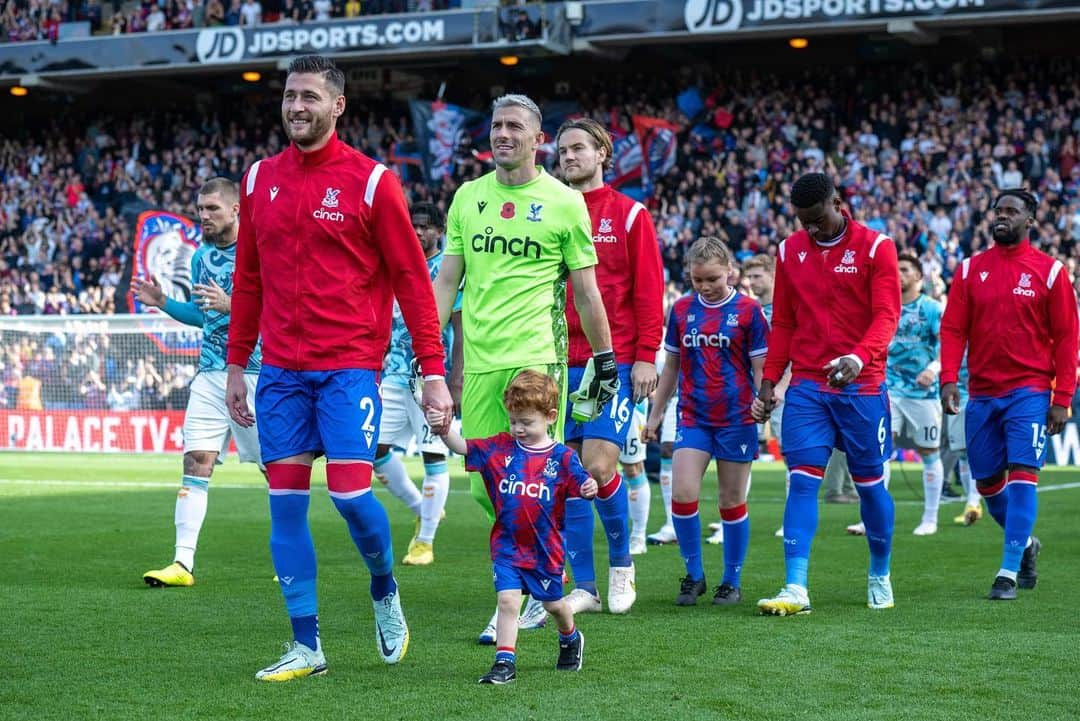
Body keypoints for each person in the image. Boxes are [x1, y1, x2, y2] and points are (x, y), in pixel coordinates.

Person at [225, 55, 453, 680]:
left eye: (309, 98)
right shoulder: (258, 180)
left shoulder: (373, 182)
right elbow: (248, 281)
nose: (296, 107)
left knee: (352, 494)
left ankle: (384, 588)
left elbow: (412, 279)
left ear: (337, 105)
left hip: (349, 368)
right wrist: (237, 363)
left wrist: (432, 369)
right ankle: (307, 645)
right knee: (285, 507)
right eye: (290, 96)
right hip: (279, 374)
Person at [431, 94, 615, 643]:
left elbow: (585, 292)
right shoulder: (468, 197)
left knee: (532, 484)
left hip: (537, 358)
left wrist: (603, 361)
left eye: (515, 126)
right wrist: (428, 358)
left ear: (538, 140)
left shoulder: (564, 203)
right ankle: (540, 585)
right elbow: (446, 282)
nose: (503, 134)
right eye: (496, 125)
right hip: (482, 364)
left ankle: (529, 595)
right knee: (487, 488)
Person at [752, 172, 901, 616]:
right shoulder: (789, 250)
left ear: (838, 203)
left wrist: (857, 358)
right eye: (803, 222)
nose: (811, 230)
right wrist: (769, 379)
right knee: (800, 481)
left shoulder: (877, 247)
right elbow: (785, 323)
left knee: (870, 487)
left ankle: (879, 572)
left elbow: (886, 315)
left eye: (817, 219)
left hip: (863, 385)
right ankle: (796, 586)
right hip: (809, 387)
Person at [940, 189, 1078, 600]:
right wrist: (949, 378)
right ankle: (1027, 544)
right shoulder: (969, 270)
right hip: (981, 392)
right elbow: (953, 329)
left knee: (1022, 477)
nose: (1002, 217)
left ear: (1029, 221)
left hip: (1029, 391)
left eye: (1011, 212)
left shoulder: (1050, 272)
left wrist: (1062, 397)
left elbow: (1067, 339)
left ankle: (1008, 569)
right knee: (986, 483)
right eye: (998, 211)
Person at [555, 117, 664, 615]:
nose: (569, 156)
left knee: (598, 465)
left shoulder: (628, 214)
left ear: (603, 153)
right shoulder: (551, 210)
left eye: (579, 148)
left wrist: (644, 356)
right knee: (570, 474)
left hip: (610, 361)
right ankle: (586, 587)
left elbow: (648, 291)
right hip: (557, 361)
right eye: (562, 150)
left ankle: (622, 565)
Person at [428, 370, 597, 684]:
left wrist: (588, 486)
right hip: (506, 546)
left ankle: (570, 636)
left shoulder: (562, 458)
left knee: (553, 605)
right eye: (514, 420)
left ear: (550, 417)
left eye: (526, 422)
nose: (518, 428)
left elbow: (583, 482)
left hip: (545, 551)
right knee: (507, 601)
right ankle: (504, 662)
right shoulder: (500, 448)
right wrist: (443, 430)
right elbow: (463, 446)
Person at [138, 177, 265, 588]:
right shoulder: (201, 258)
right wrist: (164, 303)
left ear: (235, 210)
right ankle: (182, 563)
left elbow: (285, 312)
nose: (203, 216)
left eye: (212, 209)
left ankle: (293, 559)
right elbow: (202, 316)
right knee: (196, 462)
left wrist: (236, 306)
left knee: (278, 471)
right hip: (211, 373)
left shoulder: (261, 251)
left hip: (258, 372)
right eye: (200, 209)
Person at [644, 237, 768, 606]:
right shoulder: (681, 310)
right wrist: (656, 412)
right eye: (698, 280)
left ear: (730, 270)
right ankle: (694, 574)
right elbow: (671, 367)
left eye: (712, 278)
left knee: (731, 500)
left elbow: (761, 367)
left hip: (737, 418)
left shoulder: (749, 312)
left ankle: (731, 580)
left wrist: (765, 401)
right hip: (694, 416)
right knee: (682, 494)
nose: (705, 287)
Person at [374, 201, 455, 566]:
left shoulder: (449, 269)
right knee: (372, 448)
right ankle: (423, 508)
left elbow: (459, 325)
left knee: (434, 454)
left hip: (431, 376)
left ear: (440, 230)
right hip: (394, 372)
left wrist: (456, 377)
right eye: (414, 225)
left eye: (426, 226)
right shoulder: (398, 264)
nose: (419, 232)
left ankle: (425, 541)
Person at [883, 253, 945, 536]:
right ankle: (874, 516)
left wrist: (934, 368)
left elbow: (950, 344)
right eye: (895, 270)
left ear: (919, 276)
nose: (899, 274)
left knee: (929, 451)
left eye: (905, 270)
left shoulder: (932, 309)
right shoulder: (886, 307)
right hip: (889, 388)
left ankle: (930, 518)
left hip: (924, 393)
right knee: (879, 451)